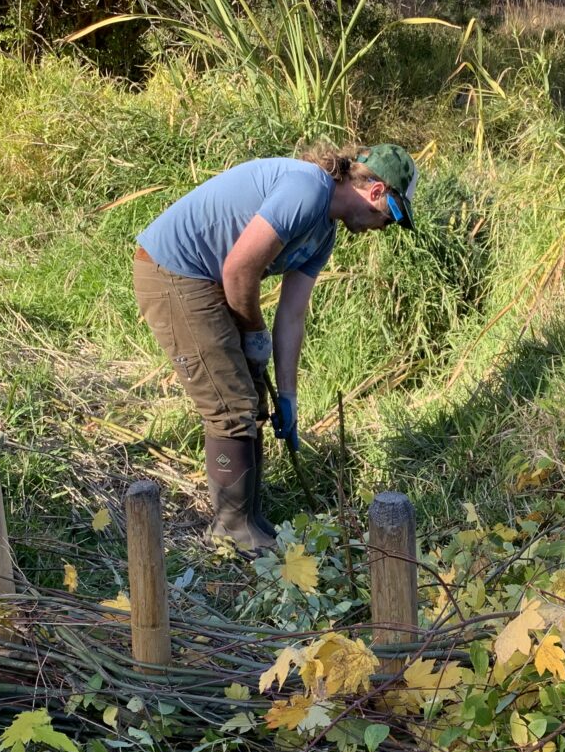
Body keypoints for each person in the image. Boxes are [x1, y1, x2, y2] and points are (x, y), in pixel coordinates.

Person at [133, 144, 419, 555]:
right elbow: (238, 269)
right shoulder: (308, 190)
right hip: (174, 271)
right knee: (230, 405)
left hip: (207, 279)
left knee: (252, 399)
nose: (385, 227)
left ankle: (249, 517)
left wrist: (288, 395)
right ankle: (231, 530)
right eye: (391, 217)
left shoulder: (324, 233)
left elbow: (292, 315)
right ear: (376, 193)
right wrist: (253, 331)